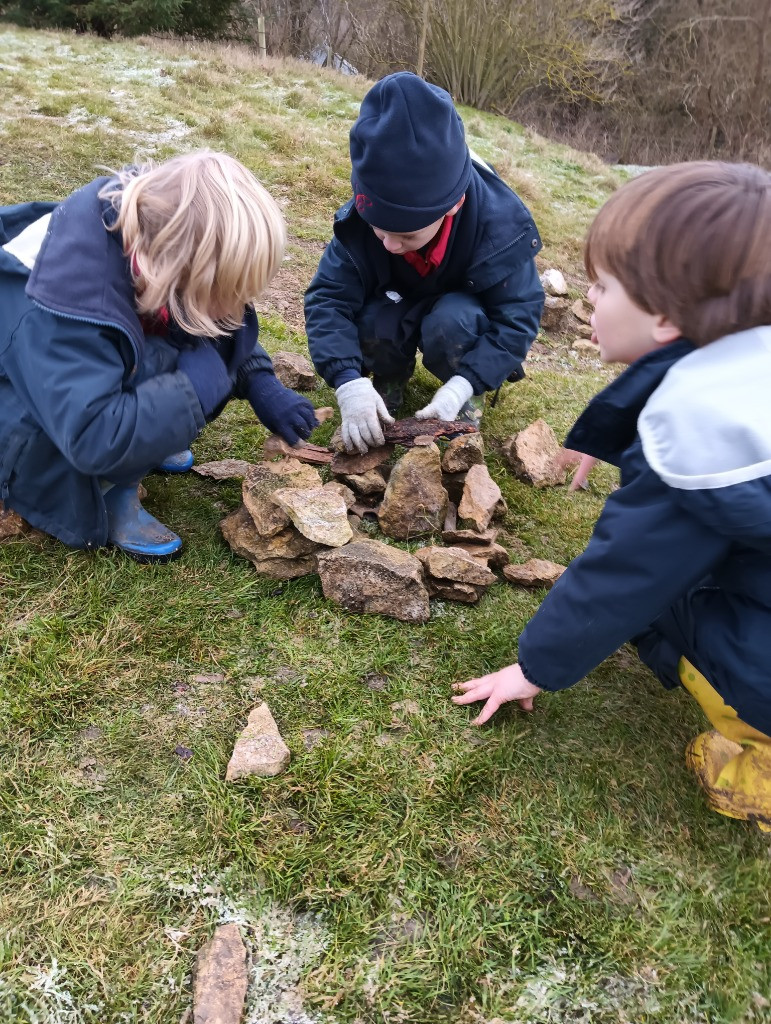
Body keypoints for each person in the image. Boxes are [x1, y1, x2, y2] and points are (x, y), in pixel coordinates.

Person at [453, 161, 771, 832]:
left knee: (657, 603)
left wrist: (535, 666)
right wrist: (611, 436)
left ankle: (759, 766)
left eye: (600, 287)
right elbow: (660, 382)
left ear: (662, 316)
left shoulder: (702, 432)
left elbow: (626, 570)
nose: (587, 301)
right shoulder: (745, 368)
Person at [0, 150, 317, 562]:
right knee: (177, 361)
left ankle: (148, 435)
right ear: (167, 270)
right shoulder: (58, 309)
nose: (231, 312)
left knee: (193, 340)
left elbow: (214, 320)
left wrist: (261, 383)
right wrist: (193, 387)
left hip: (77, 386)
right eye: (220, 295)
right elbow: (93, 434)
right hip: (29, 425)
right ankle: (113, 492)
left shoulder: (156, 241)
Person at [304, 72, 544, 454]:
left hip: (461, 313)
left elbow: (519, 316)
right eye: (379, 229)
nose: (389, 243)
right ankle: (387, 381)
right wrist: (347, 381)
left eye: (407, 235)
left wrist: (465, 382)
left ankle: (464, 396)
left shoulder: (499, 227)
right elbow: (328, 299)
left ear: (454, 205)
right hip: (395, 301)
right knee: (369, 320)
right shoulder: (361, 222)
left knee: (454, 320)